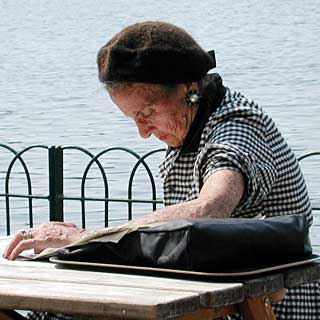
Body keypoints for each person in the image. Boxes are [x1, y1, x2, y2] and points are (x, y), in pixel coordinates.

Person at [3, 21, 319, 319]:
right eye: (133, 118)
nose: (143, 132)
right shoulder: (192, 120)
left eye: (148, 113)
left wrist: (86, 238)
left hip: (263, 309)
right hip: (209, 303)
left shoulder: (236, 126)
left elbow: (211, 208)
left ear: (189, 89)